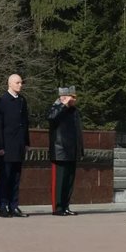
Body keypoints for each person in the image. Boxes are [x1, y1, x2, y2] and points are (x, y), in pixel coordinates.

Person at [0, 74, 30, 218]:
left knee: (16, 178)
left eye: (21, 82)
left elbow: (25, 123)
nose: (20, 85)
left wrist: (26, 142)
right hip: (6, 146)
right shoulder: (2, 101)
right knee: (5, 177)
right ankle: (3, 206)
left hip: (19, 144)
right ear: (10, 84)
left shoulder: (22, 100)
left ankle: (14, 206)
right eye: (17, 82)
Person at [47, 85, 84, 216]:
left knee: (69, 181)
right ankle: (57, 208)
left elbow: (78, 132)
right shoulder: (56, 107)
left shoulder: (74, 111)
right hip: (60, 151)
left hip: (72, 151)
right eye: (72, 97)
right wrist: (62, 105)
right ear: (64, 97)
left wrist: (80, 149)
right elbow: (51, 117)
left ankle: (65, 206)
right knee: (59, 181)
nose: (74, 99)